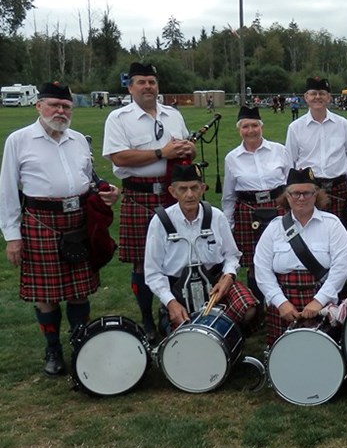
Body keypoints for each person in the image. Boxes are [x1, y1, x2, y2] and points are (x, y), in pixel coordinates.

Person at [0, 82, 120, 375]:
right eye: (54, 105)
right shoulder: (19, 140)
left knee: (80, 291)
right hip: (41, 223)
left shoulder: (79, 139)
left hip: (78, 220)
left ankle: (80, 344)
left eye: (66, 106)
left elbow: (87, 178)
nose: (61, 111)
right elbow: (6, 190)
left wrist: (104, 192)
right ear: (39, 106)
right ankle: (53, 349)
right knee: (47, 295)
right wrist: (13, 237)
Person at [103, 62, 195, 341]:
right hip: (139, 196)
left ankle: (172, 311)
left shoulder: (173, 115)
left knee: (177, 258)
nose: (147, 87)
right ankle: (146, 318)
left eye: (151, 82)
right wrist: (161, 153)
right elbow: (118, 157)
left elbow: (184, 147)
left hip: (173, 195)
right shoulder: (118, 118)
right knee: (142, 262)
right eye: (141, 82)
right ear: (130, 87)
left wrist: (188, 147)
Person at [144, 163, 257, 334]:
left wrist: (228, 277)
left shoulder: (216, 216)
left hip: (216, 283)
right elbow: (153, 272)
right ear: (172, 192)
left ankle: (229, 335)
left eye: (194, 188)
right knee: (184, 336)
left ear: (203, 188)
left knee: (249, 308)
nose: (190, 194)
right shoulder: (160, 222)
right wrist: (171, 302)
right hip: (179, 289)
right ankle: (168, 315)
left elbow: (232, 255)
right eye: (183, 189)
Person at [253, 167, 347, 347]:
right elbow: (261, 269)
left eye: (307, 193)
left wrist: (319, 301)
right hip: (284, 302)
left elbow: (342, 267)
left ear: (316, 195)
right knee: (283, 352)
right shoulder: (275, 228)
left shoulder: (332, 225)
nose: (301, 198)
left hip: (321, 299)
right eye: (296, 193)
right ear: (287, 196)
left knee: (324, 350)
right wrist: (280, 302)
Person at [222, 104, 291, 303]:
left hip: (278, 207)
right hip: (248, 212)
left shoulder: (279, 150)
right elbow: (229, 195)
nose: (250, 130)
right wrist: (228, 224)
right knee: (254, 262)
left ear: (262, 126)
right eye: (245, 126)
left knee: (280, 255)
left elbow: (290, 183)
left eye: (254, 125)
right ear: (239, 129)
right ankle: (259, 305)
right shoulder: (232, 158)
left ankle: (279, 303)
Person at [285, 77, 347, 228]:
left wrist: (343, 181)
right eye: (313, 94)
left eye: (322, 93)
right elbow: (289, 163)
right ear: (306, 97)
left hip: (338, 188)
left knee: (338, 230)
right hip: (309, 190)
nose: (317, 97)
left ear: (329, 97)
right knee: (310, 230)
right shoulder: (295, 128)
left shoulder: (343, 125)